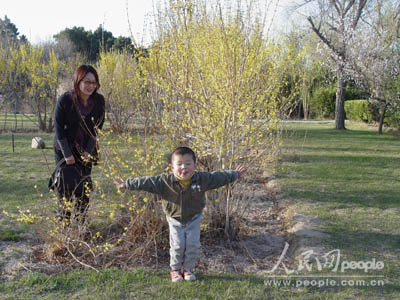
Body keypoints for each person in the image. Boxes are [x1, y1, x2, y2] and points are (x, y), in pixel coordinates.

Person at [114, 146, 247, 282]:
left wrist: (234, 174)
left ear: (195, 165)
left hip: (194, 218)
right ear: (172, 167)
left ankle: (188, 269)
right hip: (174, 219)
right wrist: (128, 184)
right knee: (178, 245)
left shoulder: (202, 179)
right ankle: (175, 270)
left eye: (188, 164)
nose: (184, 167)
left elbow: (218, 177)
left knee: (192, 245)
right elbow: (147, 182)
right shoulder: (165, 181)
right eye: (179, 164)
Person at [53, 65, 105, 223]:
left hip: (86, 149)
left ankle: (81, 223)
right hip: (64, 149)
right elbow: (58, 128)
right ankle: (65, 225)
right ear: (78, 81)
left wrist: (88, 151)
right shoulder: (66, 100)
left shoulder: (99, 101)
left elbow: (98, 128)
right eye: (87, 81)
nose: (90, 86)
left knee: (84, 188)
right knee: (66, 188)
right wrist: (67, 154)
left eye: (93, 82)